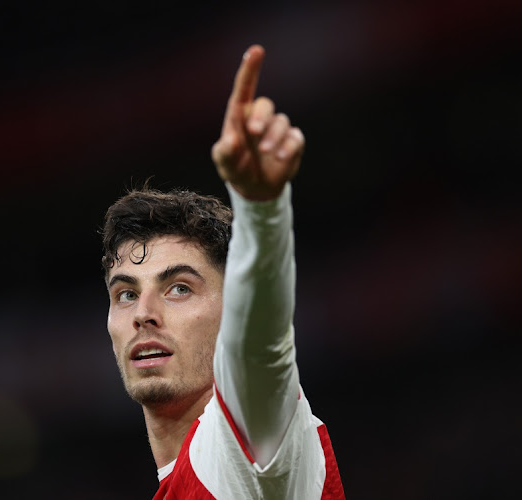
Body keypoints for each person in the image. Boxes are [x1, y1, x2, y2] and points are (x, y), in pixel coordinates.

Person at [101, 44, 345, 499]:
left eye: (178, 288)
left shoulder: (251, 441)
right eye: (126, 294)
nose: (144, 314)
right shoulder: (182, 480)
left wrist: (260, 206)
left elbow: (262, 344)